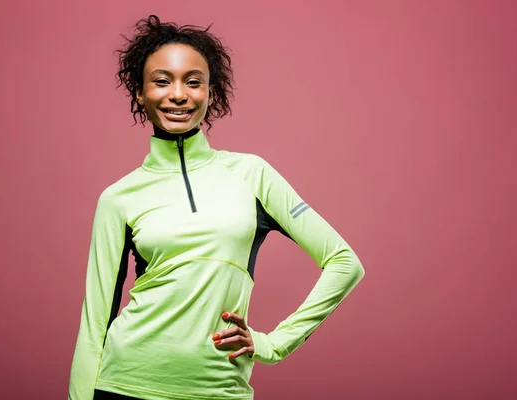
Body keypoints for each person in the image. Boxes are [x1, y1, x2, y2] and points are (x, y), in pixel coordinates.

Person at [68, 14, 365, 400]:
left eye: (193, 82)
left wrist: (274, 343)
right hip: (124, 384)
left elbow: (345, 263)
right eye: (161, 81)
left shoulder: (252, 174)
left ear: (211, 92)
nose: (178, 94)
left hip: (220, 389)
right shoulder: (119, 197)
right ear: (139, 92)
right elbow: (94, 324)